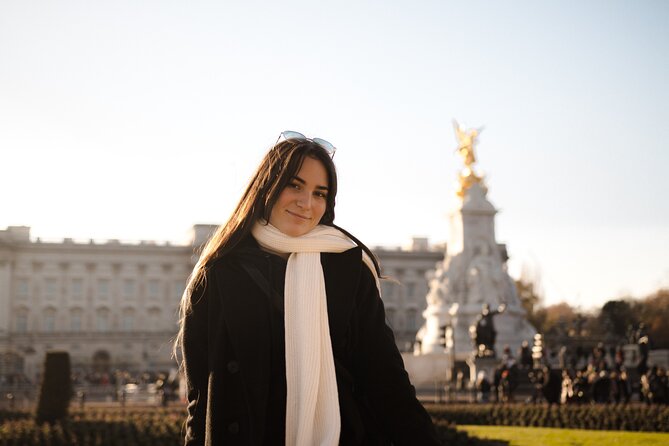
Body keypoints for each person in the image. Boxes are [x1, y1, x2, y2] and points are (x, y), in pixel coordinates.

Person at [175, 131, 440, 445]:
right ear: (267, 185)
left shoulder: (348, 269)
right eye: (295, 185)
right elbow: (200, 398)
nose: (306, 203)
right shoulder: (217, 272)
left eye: (320, 193)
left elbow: (386, 381)